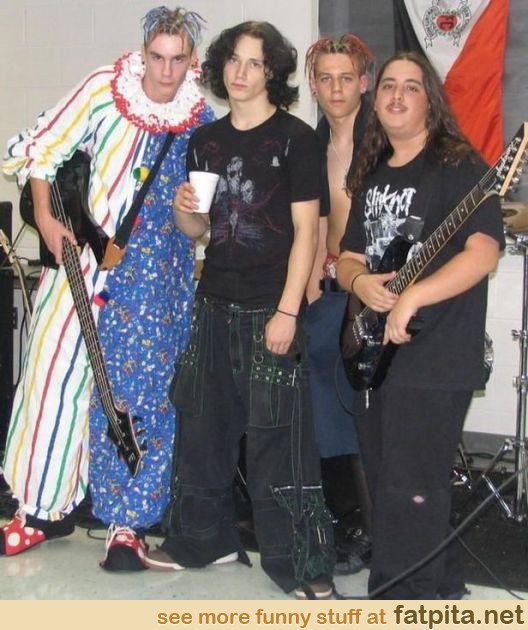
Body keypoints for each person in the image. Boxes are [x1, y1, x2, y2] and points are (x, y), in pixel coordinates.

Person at [1, 6, 214, 571]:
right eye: (157, 58)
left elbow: (200, 221)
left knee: (138, 400)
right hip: (83, 264)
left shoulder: (202, 118)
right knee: (53, 377)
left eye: (177, 60)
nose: (165, 72)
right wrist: (46, 218)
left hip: (153, 282)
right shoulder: (103, 88)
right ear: (143, 53)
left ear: (191, 60)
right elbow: (42, 148)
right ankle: (39, 509)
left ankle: (127, 524)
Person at [145, 21, 335, 599]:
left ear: (272, 72)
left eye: (254, 63)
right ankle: (203, 540)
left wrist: (288, 312)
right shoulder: (205, 140)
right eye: (233, 60)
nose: (240, 72)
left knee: (279, 441)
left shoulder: (296, 140)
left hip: (269, 309)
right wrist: (184, 209)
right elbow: (198, 230)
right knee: (202, 429)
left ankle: (299, 563)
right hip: (212, 304)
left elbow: (308, 234)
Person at [336, 51, 504, 599]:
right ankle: (442, 585)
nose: (397, 95)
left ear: (430, 100)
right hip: (376, 354)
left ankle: (401, 600)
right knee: (395, 481)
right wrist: (362, 283)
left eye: (411, 86)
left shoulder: (459, 166)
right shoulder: (374, 172)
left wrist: (415, 296)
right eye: (388, 85)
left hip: (436, 354)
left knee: (410, 483)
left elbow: (483, 252)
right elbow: (348, 258)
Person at [303, 34, 374, 574]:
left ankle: (376, 521)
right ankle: (348, 520)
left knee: (370, 408)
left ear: (364, 83)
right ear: (313, 85)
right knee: (322, 400)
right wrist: (307, 293)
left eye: (345, 78)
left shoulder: (388, 144)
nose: (335, 89)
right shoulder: (312, 148)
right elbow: (312, 229)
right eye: (325, 78)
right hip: (330, 292)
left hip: (381, 291)